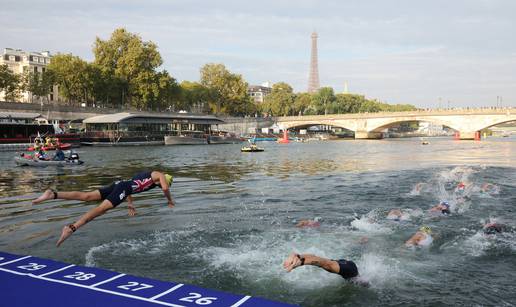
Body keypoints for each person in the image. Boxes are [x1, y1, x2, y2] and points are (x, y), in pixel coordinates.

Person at [32, 171, 175, 247]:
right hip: (122, 187)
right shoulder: (159, 174)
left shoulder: (145, 177)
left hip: (119, 185)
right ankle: (71, 228)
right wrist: (169, 200)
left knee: (87, 196)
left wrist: (130, 203)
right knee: (100, 209)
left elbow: (129, 185)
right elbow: (165, 188)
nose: (159, 183)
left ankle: (53, 194)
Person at [283, 252, 360, 281]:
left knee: (325, 262)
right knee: (324, 263)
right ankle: (299, 259)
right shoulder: (357, 279)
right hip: (347, 268)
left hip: (344, 264)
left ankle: (299, 257)